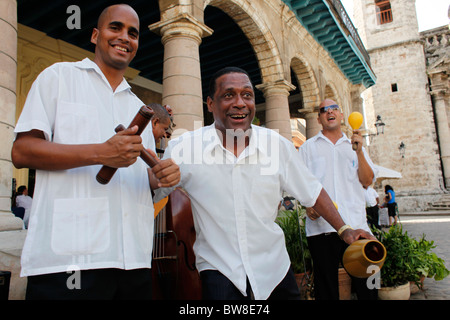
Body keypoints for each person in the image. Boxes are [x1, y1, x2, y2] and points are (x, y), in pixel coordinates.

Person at [151, 67, 373, 300]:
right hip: (219, 273)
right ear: (210, 103)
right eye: (228, 95)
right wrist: (154, 178)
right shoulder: (185, 148)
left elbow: (313, 192)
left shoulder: (277, 146)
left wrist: (345, 230)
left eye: (247, 95)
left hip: (274, 270)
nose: (240, 103)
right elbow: (153, 191)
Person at [11, 4, 180, 300]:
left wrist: (161, 178)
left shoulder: (139, 106)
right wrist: (101, 153)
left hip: (134, 262)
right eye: (115, 28)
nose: (125, 37)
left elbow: (144, 182)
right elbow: (22, 152)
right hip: (67, 261)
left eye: (133, 33)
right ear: (94, 35)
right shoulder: (59, 77)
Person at [298, 99, 378, 300]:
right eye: (324, 110)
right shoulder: (307, 148)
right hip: (321, 229)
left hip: (357, 226)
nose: (330, 112)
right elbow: (301, 184)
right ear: (319, 118)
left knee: (368, 286)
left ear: (342, 116)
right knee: (326, 290)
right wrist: (308, 207)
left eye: (334, 108)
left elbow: (367, 180)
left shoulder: (355, 145)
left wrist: (359, 151)